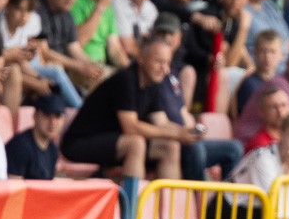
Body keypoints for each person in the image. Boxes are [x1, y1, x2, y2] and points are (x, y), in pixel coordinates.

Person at [59, 31, 197, 179]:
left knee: (170, 146)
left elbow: (161, 122)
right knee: (136, 143)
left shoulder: (154, 83)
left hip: (112, 142)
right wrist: (175, 134)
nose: (165, 69)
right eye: (159, 62)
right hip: (79, 143)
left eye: (167, 63)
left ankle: (170, 195)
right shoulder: (126, 79)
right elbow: (131, 127)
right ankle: (134, 194)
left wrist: (186, 132)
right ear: (141, 58)